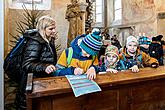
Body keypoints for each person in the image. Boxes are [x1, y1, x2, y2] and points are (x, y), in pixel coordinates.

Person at [16, 15, 58, 109]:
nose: (54, 31)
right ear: (43, 29)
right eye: (51, 29)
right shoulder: (35, 42)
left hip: (41, 82)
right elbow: (26, 64)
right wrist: (44, 67)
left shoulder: (48, 40)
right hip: (31, 84)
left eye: (54, 28)